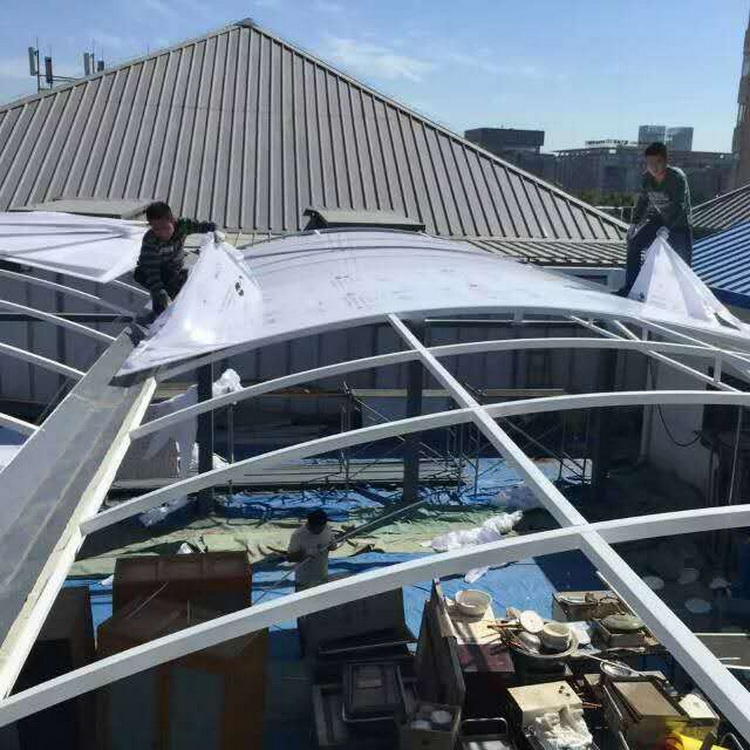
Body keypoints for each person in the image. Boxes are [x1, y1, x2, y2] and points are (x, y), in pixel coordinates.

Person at [620, 142, 692, 295]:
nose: (654, 167)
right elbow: (643, 201)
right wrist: (634, 223)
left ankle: (680, 298)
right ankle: (630, 287)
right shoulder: (647, 178)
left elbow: (680, 206)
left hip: (679, 224)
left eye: (658, 162)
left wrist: (668, 228)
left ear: (665, 161)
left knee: (682, 264)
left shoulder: (677, 177)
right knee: (634, 245)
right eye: (650, 163)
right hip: (658, 219)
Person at [134, 202, 216, 317]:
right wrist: (159, 291)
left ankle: (176, 302)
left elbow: (203, 226)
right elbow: (151, 270)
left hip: (174, 269)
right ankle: (160, 315)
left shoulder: (183, 225)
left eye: (165, 227)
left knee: (178, 283)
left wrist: (215, 230)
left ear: (172, 221)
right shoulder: (150, 240)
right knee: (159, 290)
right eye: (156, 229)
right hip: (152, 272)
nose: (162, 233)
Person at [287, 509, 336, 590]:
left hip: (322, 575)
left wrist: (331, 546)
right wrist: (305, 555)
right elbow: (290, 558)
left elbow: (333, 546)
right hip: (304, 580)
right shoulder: (298, 535)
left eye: (321, 527)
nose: (319, 530)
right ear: (309, 524)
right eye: (316, 528)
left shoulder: (327, 528)